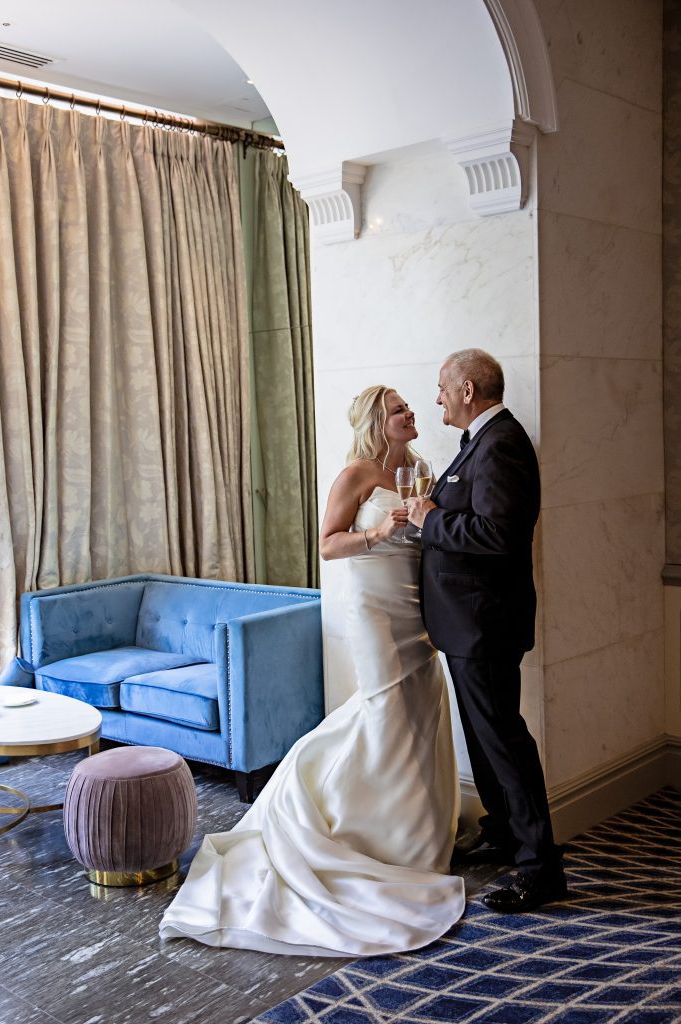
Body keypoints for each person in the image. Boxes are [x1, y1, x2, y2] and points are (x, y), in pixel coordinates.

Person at [159, 385, 465, 956]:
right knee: (385, 709)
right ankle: (336, 824)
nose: (411, 414)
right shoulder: (355, 474)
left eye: (409, 408)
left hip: (416, 610)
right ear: (379, 422)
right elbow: (327, 546)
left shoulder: (420, 469)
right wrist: (380, 531)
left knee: (421, 707)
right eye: (399, 410)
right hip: (374, 609)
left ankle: (415, 840)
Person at [407, 349, 567, 913]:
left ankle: (539, 868)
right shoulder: (477, 442)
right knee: (484, 737)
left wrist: (431, 520)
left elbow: (498, 535)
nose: (438, 398)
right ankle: (504, 832)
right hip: (467, 623)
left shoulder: (501, 444)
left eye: (443, 388)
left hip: (485, 624)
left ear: (468, 390)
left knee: (504, 741)